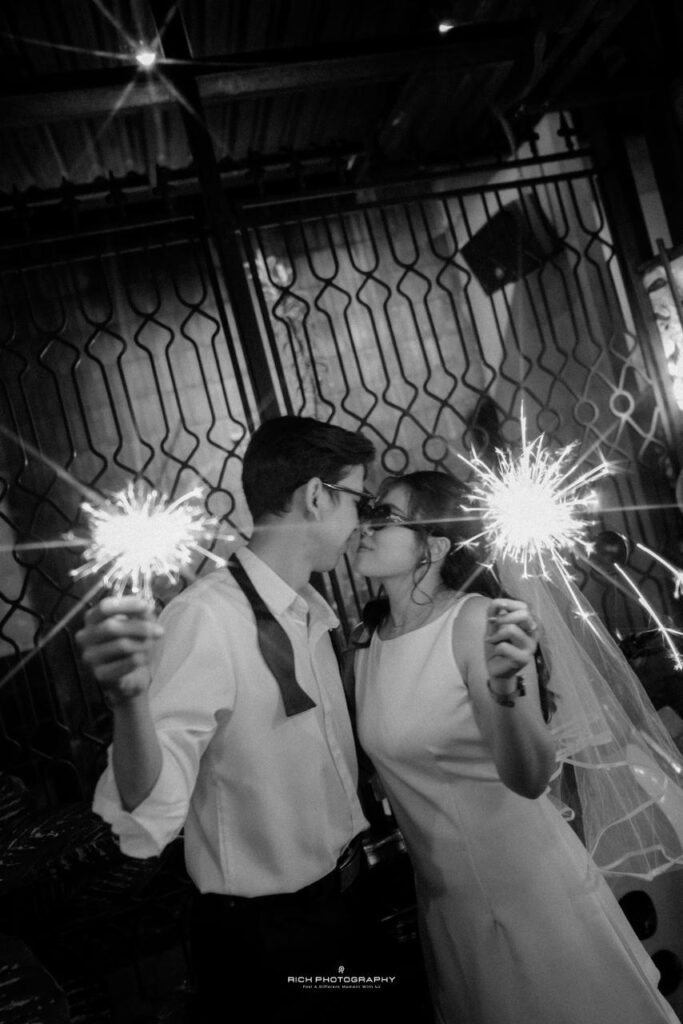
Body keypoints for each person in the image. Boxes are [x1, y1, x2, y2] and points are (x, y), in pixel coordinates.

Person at [76, 415, 409, 1024]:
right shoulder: (207, 618)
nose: (361, 523)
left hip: (347, 903)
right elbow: (150, 809)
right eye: (358, 501)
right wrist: (127, 704)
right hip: (271, 938)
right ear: (317, 496)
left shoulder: (310, 612)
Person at [352, 468, 682, 1024]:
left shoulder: (478, 623)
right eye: (368, 511)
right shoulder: (367, 645)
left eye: (385, 516)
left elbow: (530, 779)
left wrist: (507, 691)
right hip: (445, 901)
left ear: (434, 546)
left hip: (525, 888)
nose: (366, 525)